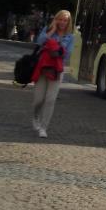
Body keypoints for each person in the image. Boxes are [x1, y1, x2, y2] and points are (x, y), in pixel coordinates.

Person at [32, 10, 74, 138]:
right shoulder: (48, 29)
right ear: (56, 19)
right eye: (60, 19)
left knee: (50, 100)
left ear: (68, 22)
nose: (62, 22)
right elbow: (39, 42)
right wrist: (52, 30)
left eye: (65, 20)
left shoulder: (71, 36)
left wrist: (55, 48)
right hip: (43, 68)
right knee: (38, 100)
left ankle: (43, 128)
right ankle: (35, 116)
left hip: (56, 70)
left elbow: (66, 54)